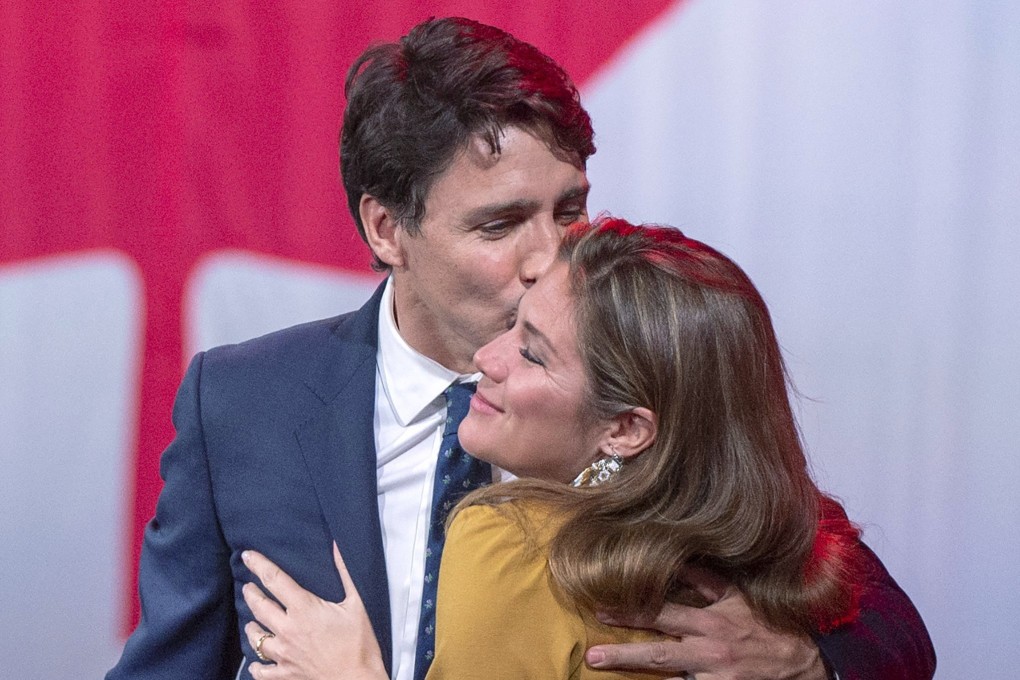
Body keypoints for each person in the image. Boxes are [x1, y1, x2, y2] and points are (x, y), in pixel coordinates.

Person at [107, 17, 935, 680]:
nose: (550, 255)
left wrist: (808, 660)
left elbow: (880, 620)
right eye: (500, 224)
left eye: (568, 208)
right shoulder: (246, 401)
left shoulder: (640, 359)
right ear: (388, 228)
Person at [237, 219, 933, 680]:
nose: (485, 357)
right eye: (496, 223)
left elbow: (901, 641)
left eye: (533, 356)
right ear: (390, 228)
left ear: (627, 429)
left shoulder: (508, 544)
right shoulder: (777, 534)